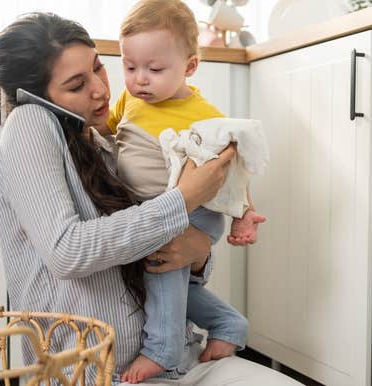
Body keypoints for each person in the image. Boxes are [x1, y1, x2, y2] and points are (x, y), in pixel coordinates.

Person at [0, 11, 300, 386]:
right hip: (101, 372)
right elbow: (68, 251)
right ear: (39, 98)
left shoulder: (104, 139)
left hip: (178, 356)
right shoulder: (30, 123)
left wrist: (199, 252)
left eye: (98, 68)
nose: (101, 90)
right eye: (76, 85)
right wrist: (183, 199)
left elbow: (160, 255)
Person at [104, 1, 266, 383]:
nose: (140, 79)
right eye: (129, 67)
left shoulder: (204, 114)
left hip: (193, 210)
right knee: (162, 280)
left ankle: (162, 348)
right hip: (156, 209)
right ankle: (228, 323)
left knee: (161, 267)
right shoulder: (131, 100)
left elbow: (233, 167)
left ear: (189, 67)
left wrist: (245, 213)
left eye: (155, 69)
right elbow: (109, 133)